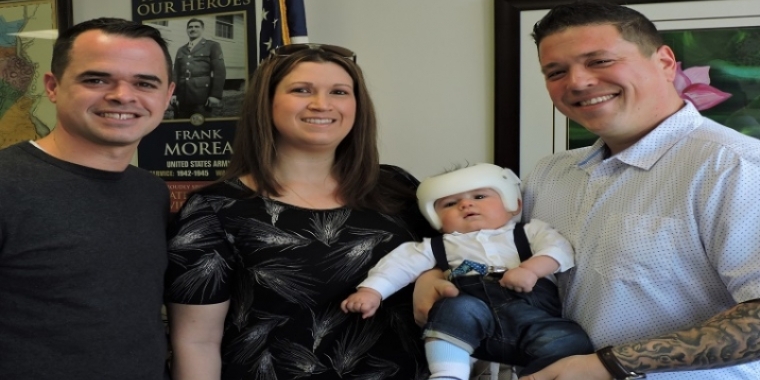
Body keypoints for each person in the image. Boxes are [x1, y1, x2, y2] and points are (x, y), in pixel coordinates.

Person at [416, 2, 760, 379]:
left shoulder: (736, 167)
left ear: (664, 62)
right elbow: (498, 249)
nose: (577, 82)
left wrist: (609, 365)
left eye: (599, 61)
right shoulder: (549, 173)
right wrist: (432, 277)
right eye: (556, 71)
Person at [165, 43, 436, 380]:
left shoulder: (399, 188)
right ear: (267, 102)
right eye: (301, 90)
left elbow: (460, 261)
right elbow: (197, 341)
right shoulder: (215, 210)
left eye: (339, 91)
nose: (322, 104)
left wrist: (433, 275)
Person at [0, 18, 175, 380]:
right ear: (52, 86)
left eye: (144, 82)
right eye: (96, 79)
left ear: (168, 95)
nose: (123, 96)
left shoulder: (150, 192)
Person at [342, 163, 593, 379]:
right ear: (436, 219)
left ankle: (535, 376)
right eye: (450, 203)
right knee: (453, 308)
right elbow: (399, 265)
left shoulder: (531, 232)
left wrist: (531, 269)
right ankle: (448, 373)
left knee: (570, 339)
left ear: (513, 204)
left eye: (480, 197)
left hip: (534, 318)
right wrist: (371, 291)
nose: (465, 204)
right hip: (473, 322)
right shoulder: (437, 246)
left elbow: (559, 250)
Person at [170, 18, 226, 119]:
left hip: (201, 96)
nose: (193, 29)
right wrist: (173, 93)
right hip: (182, 97)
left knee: (202, 125)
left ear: (202, 29)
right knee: (181, 126)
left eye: (196, 27)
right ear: (187, 30)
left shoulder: (212, 46)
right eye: (190, 27)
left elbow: (219, 72)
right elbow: (176, 73)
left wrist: (215, 95)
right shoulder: (181, 49)